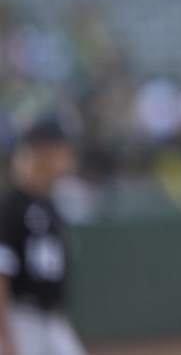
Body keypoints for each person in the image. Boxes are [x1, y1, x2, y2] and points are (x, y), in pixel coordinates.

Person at [0, 116, 85, 355]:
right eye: (61, 150)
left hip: (52, 319)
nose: (67, 157)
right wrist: (4, 336)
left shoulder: (50, 203)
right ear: (44, 152)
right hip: (21, 318)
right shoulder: (10, 207)